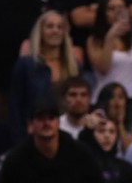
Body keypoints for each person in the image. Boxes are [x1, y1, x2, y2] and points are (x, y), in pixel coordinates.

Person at [10, 10, 82, 145]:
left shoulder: (75, 66)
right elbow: (15, 107)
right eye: (50, 26)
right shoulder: (26, 65)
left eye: (60, 27)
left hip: (69, 136)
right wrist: (20, 139)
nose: (55, 31)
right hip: (35, 136)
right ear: (40, 32)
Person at [86, 0, 132, 101]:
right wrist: (110, 37)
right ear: (103, 14)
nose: (118, 12)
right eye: (111, 9)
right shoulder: (94, 41)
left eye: (121, 7)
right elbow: (104, 68)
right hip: (105, 98)